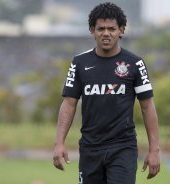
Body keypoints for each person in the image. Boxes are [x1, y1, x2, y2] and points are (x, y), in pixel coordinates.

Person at [53, 2, 160, 184]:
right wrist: (59, 143)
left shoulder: (135, 64)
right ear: (92, 30)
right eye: (100, 28)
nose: (106, 33)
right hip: (89, 148)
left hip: (123, 148)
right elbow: (69, 104)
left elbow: (147, 106)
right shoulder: (79, 63)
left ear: (122, 30)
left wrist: (154, 150)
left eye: (111, 28)